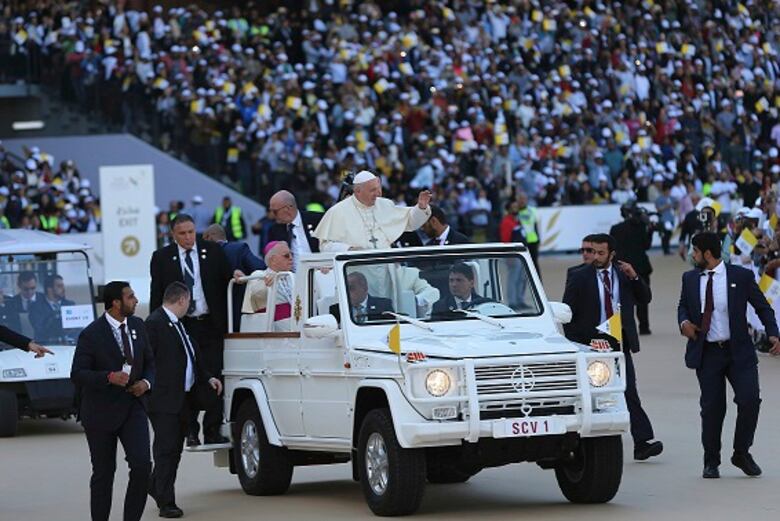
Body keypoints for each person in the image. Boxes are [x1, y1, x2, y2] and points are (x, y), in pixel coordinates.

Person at [677, 232, 780, 479]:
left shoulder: (740, 276)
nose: (692, 255)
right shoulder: (690, 278)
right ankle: (711, 461)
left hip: (739, 352)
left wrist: (774, 333)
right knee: (712, 408)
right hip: (708, 352)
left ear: (707, 254)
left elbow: (762, 306)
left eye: (695, 251)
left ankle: (741, 452)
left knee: (750, 400)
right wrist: (683, 323)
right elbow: (682, 306)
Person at [562, 233, 663, 461]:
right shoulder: (578, 276)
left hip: (618, 343)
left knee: (628, 390)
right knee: (592, 396)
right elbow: (567, 315)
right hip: (591, 346)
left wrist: (636, 277)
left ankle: (642, 442)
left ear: (612, 254)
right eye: (592, 252)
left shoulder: (624, 273)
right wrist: (580, 344)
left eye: (600, 253)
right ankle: (581, 443)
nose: (595, 257)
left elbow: (645, 298)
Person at [70, 281, 154, 521]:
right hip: (100, 412)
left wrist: (146, 383)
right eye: (130, 296)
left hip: (133, 407)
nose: (136, 300)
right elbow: (77, 374)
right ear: (116, 303)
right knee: (104, 473)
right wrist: (108, 377)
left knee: (142, 467)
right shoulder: (91, 334)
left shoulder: (138, 325)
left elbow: (150, 363)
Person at [149, 214, 232, 446]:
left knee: (215, 375)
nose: (188, 238)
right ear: (173, 234)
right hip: (181, 327)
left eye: (190, 232)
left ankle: (213, 429)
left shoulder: (212, 252)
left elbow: (227, 280)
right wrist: (156, 330)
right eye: (182, 233)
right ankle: (190, 429)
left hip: (210, 325)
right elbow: (157, 295)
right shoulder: (162, 258)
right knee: (187, 377)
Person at [146, 282, 223, 518]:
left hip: (183, 398)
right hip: (163, 399)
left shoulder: (179, 324)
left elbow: (191, 355)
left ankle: (156, 486)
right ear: (181, 300)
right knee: (166, 450)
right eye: (189, 301)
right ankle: (166, 502)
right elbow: (146, 360)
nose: (190, 305)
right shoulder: (155, 323)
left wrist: (207, 377)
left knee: (174, 450)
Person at [313, 170, 432, 251]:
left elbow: (410, 222)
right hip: (355, 272)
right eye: (372, 190)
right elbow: (325, 246)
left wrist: (421, 208)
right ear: (358, 191)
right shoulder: (337, 211)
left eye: (379, 189)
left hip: (386, 267)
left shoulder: (385, 204)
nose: (378, 193)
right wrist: (348, 250)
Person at [610, 202, 653, 335]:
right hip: (640, 266)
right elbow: (646, 245)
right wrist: (650, 230)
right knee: (642, 298)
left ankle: (621, 327)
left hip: (621, 266)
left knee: (620, 299)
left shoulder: (615, 229)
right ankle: (644, 327)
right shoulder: (640, 227)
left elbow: (612, 248)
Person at [267, 190, 322, 270]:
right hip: (293, 278)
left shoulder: (317, 220)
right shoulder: (275, 230)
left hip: (321, 273)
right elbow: (271, 257)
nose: (272, 215)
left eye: (275, 212)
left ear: (288, 208)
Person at [241, 241, 294, 319]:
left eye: (291, 254)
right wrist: (267, 285)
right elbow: (257, 294)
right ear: (273, 260)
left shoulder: (293, 277)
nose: (291, 258)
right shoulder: (259, 275)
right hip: (271, 327)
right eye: (286, 255)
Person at [29, 274, 76, 343]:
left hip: (69, 344)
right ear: (49, 289)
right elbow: (40, 329)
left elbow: (77, 329)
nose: (63, 289)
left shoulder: (70, 305)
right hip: (46, 345)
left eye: (63, 286)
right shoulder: (36, 307)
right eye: (59, 286)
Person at [396, 205, 470, 247]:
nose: (422, 228)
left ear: (433, 221)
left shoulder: (461, 242)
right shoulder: (428, 246)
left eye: (424, 225)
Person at [517, 193, 541, 272]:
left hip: (533, 240)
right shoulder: (515, 211)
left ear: (526, 200)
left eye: (523, 199)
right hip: (521, 241)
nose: (522, 201)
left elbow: (537, 224)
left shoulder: (532, 210)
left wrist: (539, 239)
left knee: (534, 263)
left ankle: (538, 282)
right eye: (520, 199)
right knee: (522, 264)